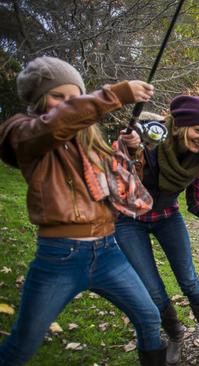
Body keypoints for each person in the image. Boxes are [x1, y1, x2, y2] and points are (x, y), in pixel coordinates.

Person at [0, 56, 166, 365]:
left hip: (108, 251)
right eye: (57, 96)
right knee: (21, 346)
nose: (67, 103)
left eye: (75, 96)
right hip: (59, 257)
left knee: (149, 316)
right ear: (38, 100)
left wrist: (131, 150)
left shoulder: (88, 138)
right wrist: (116, 94)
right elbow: (55, 125)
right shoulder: (22, 132)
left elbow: (125, 188)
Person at [114, 96, 199, 366]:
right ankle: (176, 335)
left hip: (168, 216)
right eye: (198, 130)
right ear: (181, 126)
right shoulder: (150, 141)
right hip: (130, 220)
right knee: (153, 290)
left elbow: (195, 203)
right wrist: (129, 147)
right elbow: (121, 169)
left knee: (190, 281)